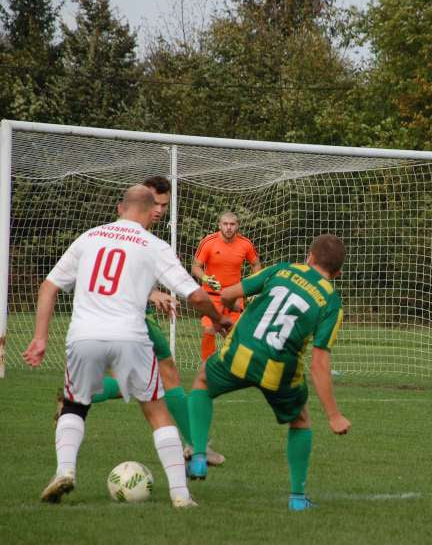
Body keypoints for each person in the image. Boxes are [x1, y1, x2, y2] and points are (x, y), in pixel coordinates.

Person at [23, 185, 232, 508]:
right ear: (150, 213)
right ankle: (180, 495)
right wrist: (217, 319)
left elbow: (48, 287)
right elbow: (197, 296)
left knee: (75, 405)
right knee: (157, 411)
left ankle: (64, 471)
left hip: (83, 336)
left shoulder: (89, 237)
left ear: (121, 208)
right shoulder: (153, 245)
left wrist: (40, 338)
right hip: (130, 336)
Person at [185, 234, 351, 511]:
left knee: (202, 379)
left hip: (242, 352)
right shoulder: (331, 302)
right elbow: (319, 364)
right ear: (337, 273)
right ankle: (298, 499)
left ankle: (199, 454)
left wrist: (228, 311)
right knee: (299, 420)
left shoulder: (284, 269)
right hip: (279, 369)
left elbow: (228, 294)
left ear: (308, 257)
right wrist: (334, 416)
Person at [75, 176, 224, 466]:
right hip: (131, 316)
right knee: (168, 374)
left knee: (140, 381)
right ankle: (195, 445)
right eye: (154, 203)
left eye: (164, 205)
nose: (158, 210)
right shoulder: (130, 233)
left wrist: (154, 292)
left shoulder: (132, 232)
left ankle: (81, 394)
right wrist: (153, 292)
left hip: (127, 314)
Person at [191, 211, 262, 362]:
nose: (229, 227)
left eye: (232, 224)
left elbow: (256, 264)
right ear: (219, 225)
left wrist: (254, 285)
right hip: (211, 296)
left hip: (234, 297)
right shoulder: (208, 242)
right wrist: (206, 278)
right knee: (210, 329)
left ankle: (235, 365)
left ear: (237, 226)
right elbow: (195, 267)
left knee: (234, 334)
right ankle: (207, 365)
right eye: (225, 224)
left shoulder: (245, 244)